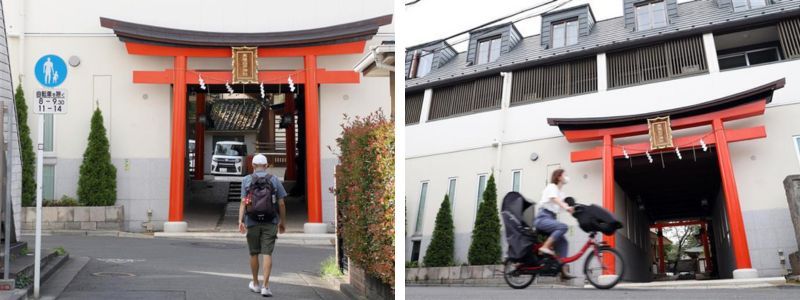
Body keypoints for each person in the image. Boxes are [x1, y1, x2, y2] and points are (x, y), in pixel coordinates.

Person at [238, 154, 287, 297]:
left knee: (254, 253)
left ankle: (255, 283)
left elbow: (243, 202)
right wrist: (282, 222)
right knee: (267, 253)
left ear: (252, 166)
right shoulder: (274, 180)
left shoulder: (246, 180)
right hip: (270, 221)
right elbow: (282, 203)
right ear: (267, 166)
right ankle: (266, 286)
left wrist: (240, 221)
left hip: (251, 221)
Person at [533, 168, 575, 280]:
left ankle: (562, 270)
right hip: (542, 217)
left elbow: (562, 205)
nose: (566, 177)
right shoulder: (552, 187)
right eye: (564, 175)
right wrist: (566, 206)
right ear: (559, 177)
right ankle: (545, 247)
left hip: (551, 218)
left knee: (564, 242)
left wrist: (574, 210)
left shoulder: (561, 193)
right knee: (563, 227)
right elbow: (555, 199)